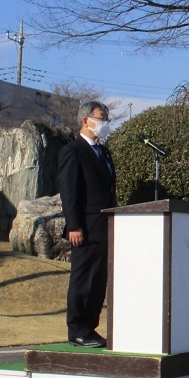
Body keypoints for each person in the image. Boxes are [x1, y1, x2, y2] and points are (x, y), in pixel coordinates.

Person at [58, 101, 116, 348]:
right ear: (85, 120)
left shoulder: (104, 152)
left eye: (106, 119)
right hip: (84, 227)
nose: (104, 123)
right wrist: (74, 225)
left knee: (98, 280)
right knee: (83, 279)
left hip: (105, 227)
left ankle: (90, 328)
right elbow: (69, 191)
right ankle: (77, 328)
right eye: (100, 118)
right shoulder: (73, 150)